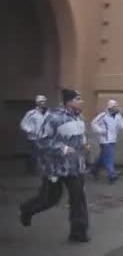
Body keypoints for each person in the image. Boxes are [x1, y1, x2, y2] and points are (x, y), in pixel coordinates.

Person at [20, 89, 90, 243]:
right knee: (50, 199)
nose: (81, 101)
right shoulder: (54, 118)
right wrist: (62, 148)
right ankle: (27, 209)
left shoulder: (79, 118)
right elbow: (42, 140)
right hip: (56, 168)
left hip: (75, 167)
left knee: (79, 198)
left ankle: (78, 233)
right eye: (78, 99)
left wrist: (84, 145)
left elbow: (79, 138)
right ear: (69, 102)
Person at [91, 100, 123, 183]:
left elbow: (122, 124)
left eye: (116, 106)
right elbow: (93, 123)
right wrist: (100, 131)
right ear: (110, 107)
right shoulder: (103, 115)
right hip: (104, 140)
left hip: (113, 139)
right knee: (109, 157)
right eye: (114, 107)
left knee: (103, 157)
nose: (116, 108)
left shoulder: (118, 115)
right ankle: (111, 175)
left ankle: (94, 169)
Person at [20, 95, 49, 174]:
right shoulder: (31, 113)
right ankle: (31, 170)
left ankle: (42, 170)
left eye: (44, 101)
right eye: (42, 101)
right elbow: (23, 124)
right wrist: (31, 131)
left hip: (44, 138)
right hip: (33, 138)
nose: (44, 103)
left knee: (44, 154)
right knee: (34, 155)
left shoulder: (48, 113)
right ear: (37, 103)